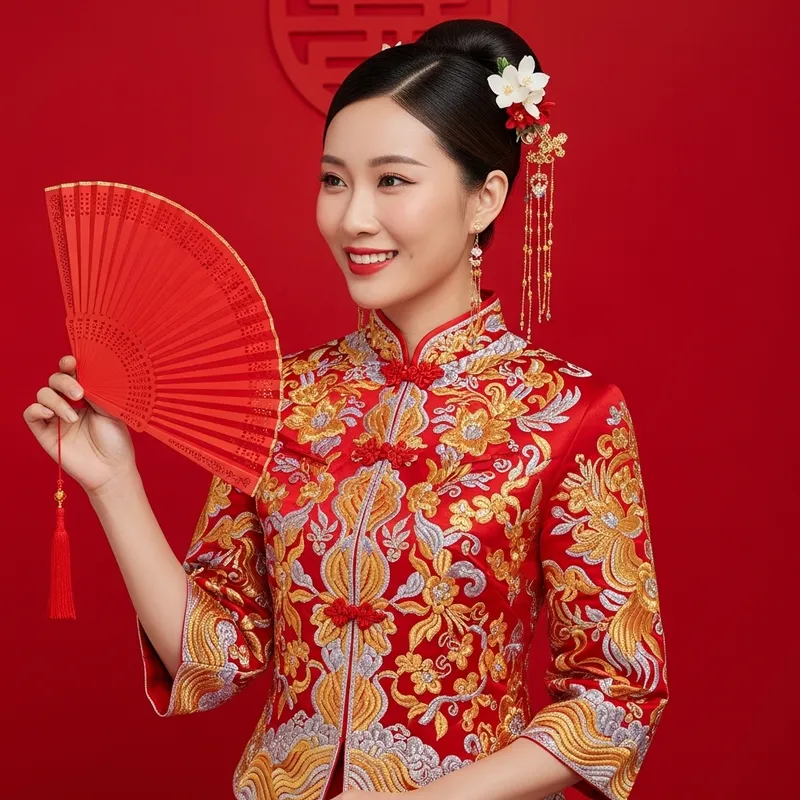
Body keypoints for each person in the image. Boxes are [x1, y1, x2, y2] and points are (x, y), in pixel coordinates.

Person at [24, 18, 668, 800]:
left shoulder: (569, 413)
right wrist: (112, 482)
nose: (352, 217)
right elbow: (214, 656)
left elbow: (618, 697)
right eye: (334, 180)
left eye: (391, 181)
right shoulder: (281, 397)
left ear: (484, 198)